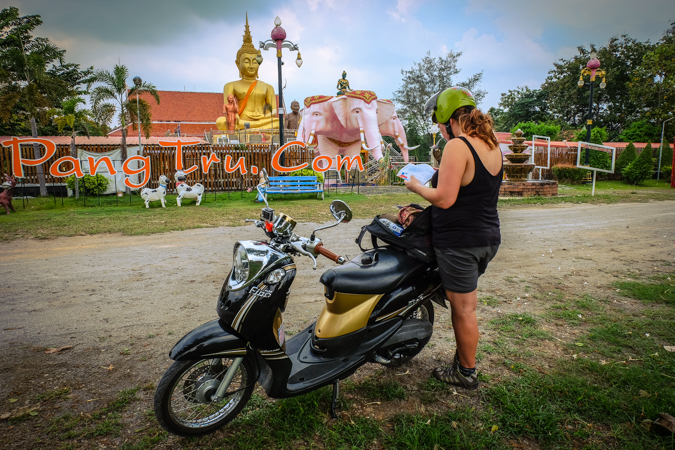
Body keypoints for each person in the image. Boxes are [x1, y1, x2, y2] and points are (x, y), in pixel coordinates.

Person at [404, 87, 503, 390]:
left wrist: (415, 186)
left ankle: (465, 372)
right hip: (486, 238)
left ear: (448, 118)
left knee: (464, 310)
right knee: (466, 305)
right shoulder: (490, 144)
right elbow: (472, 186)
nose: (439, 131)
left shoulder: (458, 145)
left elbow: (444, 199)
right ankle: (464, 364)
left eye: (438, 124)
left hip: (460, 242)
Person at [216, 14, 279, 131]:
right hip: (241, 120)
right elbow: (228, 109)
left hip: (263, 120)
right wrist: (236, 117)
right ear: (237, 64)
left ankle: (251, 128)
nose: (251, 65)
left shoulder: (268, 87)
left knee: (280, 122)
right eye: (246, 61)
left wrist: (266, 116)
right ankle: (252, 128)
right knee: (220, 122)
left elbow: (274, 110)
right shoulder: (230, 86)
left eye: (254, 61)